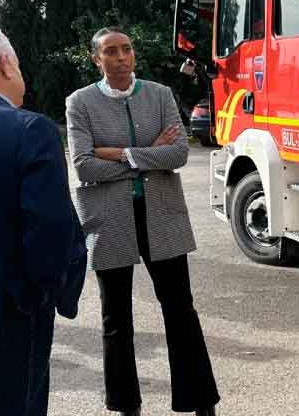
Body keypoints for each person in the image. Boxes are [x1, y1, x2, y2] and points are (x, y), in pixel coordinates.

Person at [65, 27, 219, 416]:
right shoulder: (79, 103)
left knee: (180, 309)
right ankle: (125, 405)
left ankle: (199, 400)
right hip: (110, 218)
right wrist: (149, 154)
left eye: (127, 49)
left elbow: (180, 153)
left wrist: (121, 155)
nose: (122, 57)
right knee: (116, 317)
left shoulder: (160, 94)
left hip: (162, 215)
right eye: (111, 51)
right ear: (96, 59)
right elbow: (83, 164)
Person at [0, 25, 86, 416]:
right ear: (6, 63)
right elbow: (50, 231)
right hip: (5, 319)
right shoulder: (28, 129)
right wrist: (42, 298)